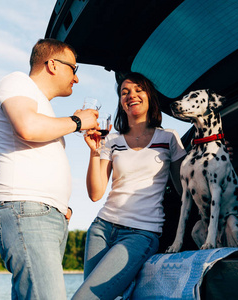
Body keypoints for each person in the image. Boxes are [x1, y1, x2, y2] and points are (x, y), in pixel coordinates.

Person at [0, 38, 98, 299]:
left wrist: (62, 208)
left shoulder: (41, 105)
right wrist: (76, 121)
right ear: (52, 65)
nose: (77, 78)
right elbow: (28, 127)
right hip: (27, 212)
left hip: (45, 216)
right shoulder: (17, 81)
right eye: (74, 68)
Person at [72, 72, 187, 300]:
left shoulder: (169, 138)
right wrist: (95, 151)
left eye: (138, 89)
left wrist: (209, 157)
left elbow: (185, 188)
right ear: (121, 104)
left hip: (141, 233)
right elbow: (95, 194)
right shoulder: (111, 141)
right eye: (124, 92)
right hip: (101, 229)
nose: (131, 95)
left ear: (149, 97)